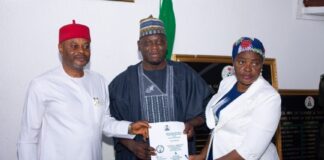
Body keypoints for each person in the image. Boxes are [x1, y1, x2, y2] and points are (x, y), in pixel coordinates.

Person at [17, 20, 150, 160]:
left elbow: (103, 122)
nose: (81, 51)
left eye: (86, 46)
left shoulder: (99, 81)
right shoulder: (42, 85)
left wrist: (129, 128)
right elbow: (27, 140)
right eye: (74, 46)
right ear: (61, 48)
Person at [108, 15, 212, 160]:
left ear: (166, 44)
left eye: (159, 42)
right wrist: (132, 146)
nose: (154, 48)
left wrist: (191, 125)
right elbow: (110, 122)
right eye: (148, 43)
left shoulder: (184, 74)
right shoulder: (124, 81)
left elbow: (210, 108)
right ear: (139, 46)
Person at [191, 37, 281, 160]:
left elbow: (249, 151)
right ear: (233, 62)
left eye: (255, 63)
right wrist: (202, 155)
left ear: (261, 65)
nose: (248, 68)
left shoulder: (269, 98)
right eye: (242, 62)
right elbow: (218, 126)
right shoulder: (227, 83)